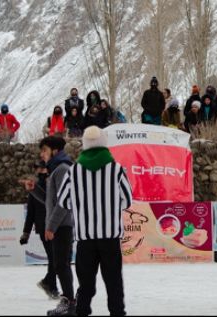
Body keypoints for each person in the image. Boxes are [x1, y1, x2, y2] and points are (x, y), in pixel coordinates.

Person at [57, 126, 132, 316]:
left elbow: (64, 201)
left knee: (86, 283)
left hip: (85, 238)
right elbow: (127, 200)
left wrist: (82, 202)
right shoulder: (116, 169)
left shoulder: (73, 171)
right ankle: (117, 313)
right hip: (110, 236)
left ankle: (82, 311)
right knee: (113, 281)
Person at [39, 136, 75, 316]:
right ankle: (68, 302)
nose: (42, 154)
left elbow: (63, 202)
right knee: (60, 264)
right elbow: (51, 201)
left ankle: (69, 303)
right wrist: (33, 190)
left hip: (62, 225)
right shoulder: (56, 169)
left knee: (61, 264)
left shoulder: (62, 169)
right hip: (60, 224)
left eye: (44, 150)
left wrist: (51, 226)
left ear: (54, 151)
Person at [20, 161, 59, 300]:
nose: (41, 171)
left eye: (43, 168)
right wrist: (26, 233)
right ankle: (50, 285)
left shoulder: (54, 184)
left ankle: (49, 284)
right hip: (44, 228)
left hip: (56, 226)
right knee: (54, 258)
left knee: (55, 259)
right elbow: (30, 213)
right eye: (38, 169)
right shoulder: (34, 188)